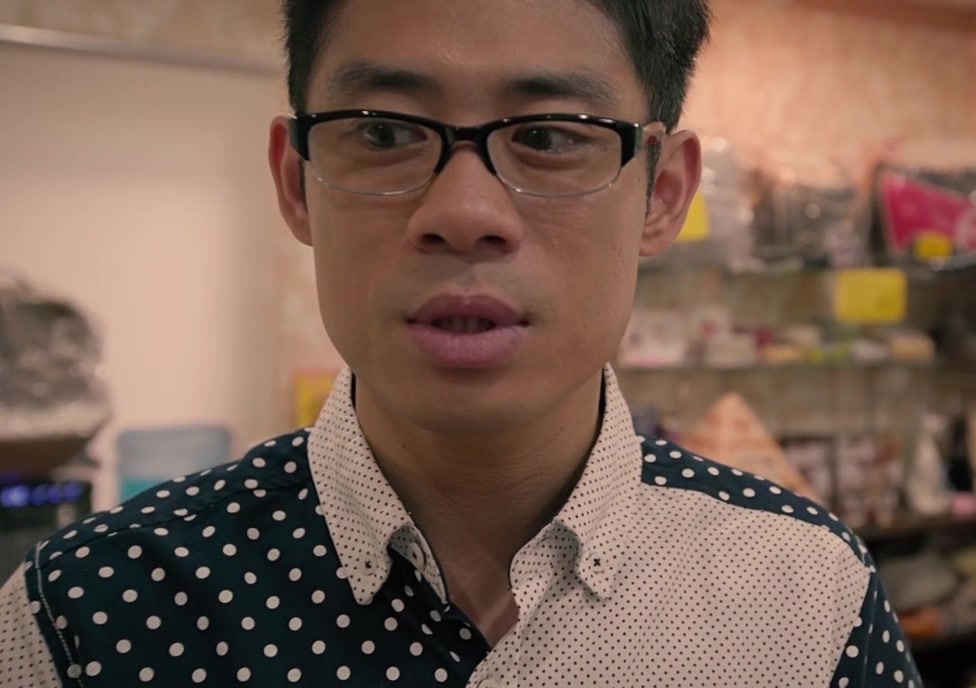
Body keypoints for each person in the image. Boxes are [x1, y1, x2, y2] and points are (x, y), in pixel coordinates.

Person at [0, 1, 922, 685]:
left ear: (664, 194)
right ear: (295, 181)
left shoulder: (809, 597)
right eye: (384, 132)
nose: (465, 212)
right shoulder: (84, 614)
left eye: (551, 136)